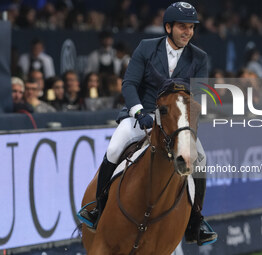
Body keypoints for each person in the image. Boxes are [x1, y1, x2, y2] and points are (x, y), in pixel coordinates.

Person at [79, 2, 217, 246]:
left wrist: (185, 118)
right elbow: (129, 84)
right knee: (113, 149)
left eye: (191, 28)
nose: (188, 32)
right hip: (142, 113)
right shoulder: (146, 48)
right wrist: (139, 111)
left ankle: (196, 220)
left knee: (201, 159)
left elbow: (200, 95)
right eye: (182, 27)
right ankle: (96, 207)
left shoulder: (199, 58)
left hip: (176, 119)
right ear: (168, 27)